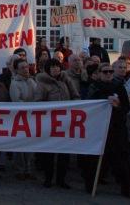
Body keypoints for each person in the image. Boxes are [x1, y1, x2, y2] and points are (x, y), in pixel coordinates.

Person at [85, 63, 130, 200]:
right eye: (105, 72)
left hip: (117, 128)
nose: (108, 74)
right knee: (94, 159)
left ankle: (127, 189)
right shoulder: (94, 87)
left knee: (122, 159)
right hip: (98, 128)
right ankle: (90, 185)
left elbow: (126, 108)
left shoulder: (119, 87)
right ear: (100, 73)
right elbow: (88, 106)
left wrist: (118, 105)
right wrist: (102, 101)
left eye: (110, 72)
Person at [35, 58, 79, 188]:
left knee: (64, 153)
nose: (55, 69)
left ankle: (61, 179)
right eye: (52, 67)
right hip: (50, 122)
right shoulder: (42, 83)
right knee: (49, 152)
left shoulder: (66, 80)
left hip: (66, 121)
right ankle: (48, 178)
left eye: (57, 66)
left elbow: (75, 95)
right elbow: (38, 102)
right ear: (48, 69)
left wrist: (75, 105)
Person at [9, 58, 37, 181]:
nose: (26, 69)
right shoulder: (14, 83)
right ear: (17, 70)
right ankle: (20, 170)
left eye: (27, 67)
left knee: (31, 145)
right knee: (20, 145)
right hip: (20, 118)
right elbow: (17, 100)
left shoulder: (32, 81)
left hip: (32, 116)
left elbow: (38, 96)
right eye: (22, 68)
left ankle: (29, 169)